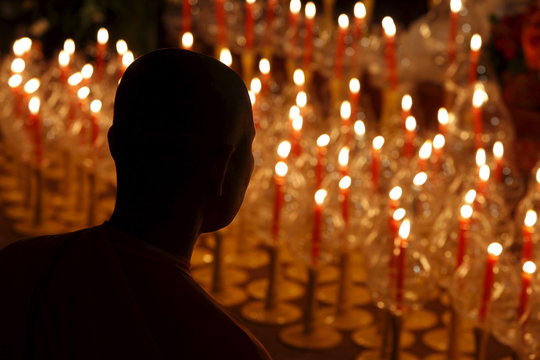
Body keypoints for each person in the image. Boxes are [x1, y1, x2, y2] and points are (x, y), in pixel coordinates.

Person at [0, 48, 271, 359]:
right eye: (249, 147)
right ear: (219, 170)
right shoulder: (227, 347)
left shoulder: (19, 268)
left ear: (113, 144)